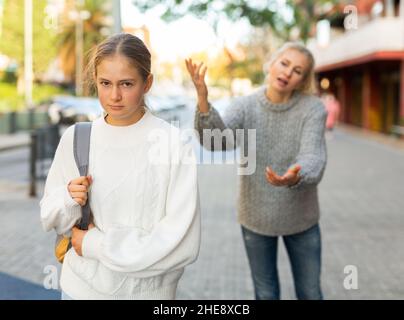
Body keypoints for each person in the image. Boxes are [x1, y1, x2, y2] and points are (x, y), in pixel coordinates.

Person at [40, 33, 201, 300]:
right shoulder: (77, 138)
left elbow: (181, 244)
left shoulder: (173, 144)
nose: (114, 96)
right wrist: (68, 198)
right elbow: (49, 217)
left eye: (126, 84)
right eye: (105, 83)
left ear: (147, 83)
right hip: (78, 290)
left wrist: (95, 244)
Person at [186, 42, 327, 300]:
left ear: (303, 80)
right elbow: (219, 142)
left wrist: (298, 174)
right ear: (271, 63)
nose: (287, 73)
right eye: (284, 63)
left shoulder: (313, 109)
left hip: (301, 218)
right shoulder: (246, 106)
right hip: (256, 216)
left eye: (297, 70)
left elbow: (313, 155)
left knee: (310, 293)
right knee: (265, 293)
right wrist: (203, 102)